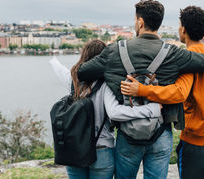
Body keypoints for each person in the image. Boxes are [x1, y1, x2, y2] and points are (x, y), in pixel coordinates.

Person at [77, 0, 204, 179]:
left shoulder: (114, 51)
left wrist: (113, 77)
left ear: (140, 22)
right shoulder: (174, 53)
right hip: (160, 132)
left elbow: (82, 72)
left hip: (128, 134)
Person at [121, 5, 204, 179]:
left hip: (197, 140)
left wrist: (142, 90)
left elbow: (178, 93)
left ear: (183, 29)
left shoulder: (188, 58)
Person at [50, 39, 162, 179]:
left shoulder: (74, 81)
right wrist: (152, 109)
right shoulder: (106, 85)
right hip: (101, 150)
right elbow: (115, 113)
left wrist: (53, 60)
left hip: (75, 150)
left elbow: (60, 70)